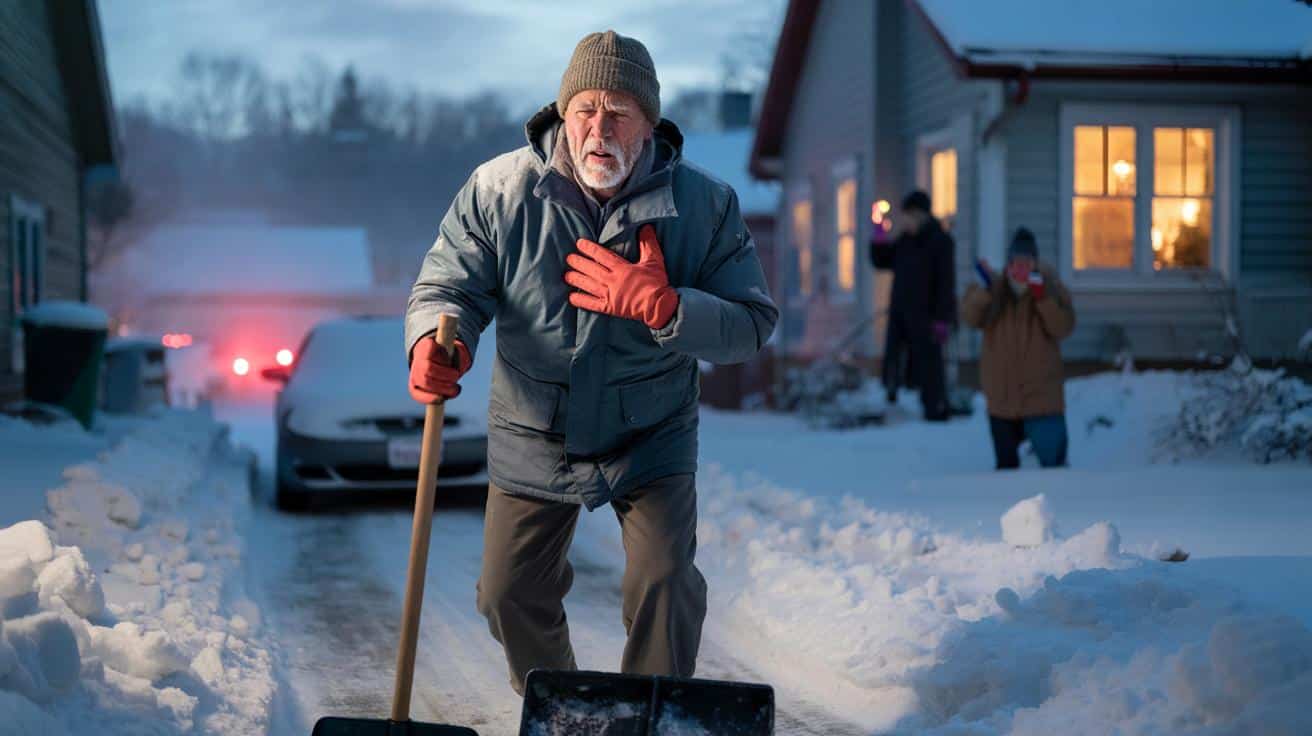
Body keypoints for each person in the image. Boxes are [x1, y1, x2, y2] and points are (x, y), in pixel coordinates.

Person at [404, 30, 777, 695]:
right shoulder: (499, 191)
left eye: (619, 112)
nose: (599, 128)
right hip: (534, 424)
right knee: (508, 593)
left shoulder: (704, 205)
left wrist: (667, 307)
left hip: (651, 428)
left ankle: (651, 714)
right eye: (585, 109)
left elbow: (752, 323)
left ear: (650, 125)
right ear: (563, 113)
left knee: (665, 581)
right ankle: (567, 711)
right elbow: (448, 286)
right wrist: (437, 343)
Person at [960, 227, 1076, 469]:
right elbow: (970, 317)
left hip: (1043, 399)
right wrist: (986, 290)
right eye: (1015, 263)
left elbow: (1063, 328)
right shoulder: (995, 289)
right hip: (1002, 400)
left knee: (1054, 467)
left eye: (1026, 263)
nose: (1020, 269)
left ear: (1035, 264)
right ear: (1008, 264)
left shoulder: (1052, 288)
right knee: (1006, 471)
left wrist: (1043, 299)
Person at [869, 190, 956, 421]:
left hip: (927, 314)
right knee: (894, 357)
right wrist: (879, 233)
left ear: (921, 215)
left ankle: (935, 407)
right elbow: (882, 261)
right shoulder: (905, 241)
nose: (905, 221)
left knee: (929, 363)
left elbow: (946, 283)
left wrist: (942, 318)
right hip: (900, 310)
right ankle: (891, 399)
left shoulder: (940, 241)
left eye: (909, 216)